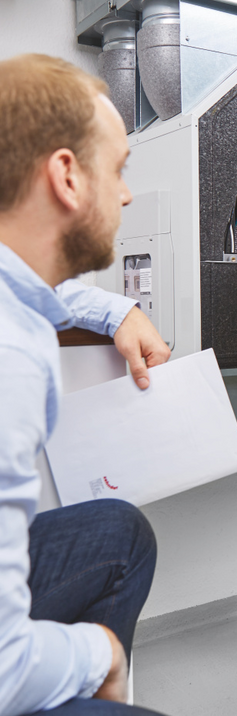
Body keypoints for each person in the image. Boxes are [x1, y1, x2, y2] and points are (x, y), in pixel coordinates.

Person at [0, 54, 171, 715]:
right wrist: (101, 653)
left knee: (120, 533)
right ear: (67, 176)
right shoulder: (12, 353)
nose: (125, 195)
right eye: (118, 169)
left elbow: (40, 286)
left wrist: (117, 309)